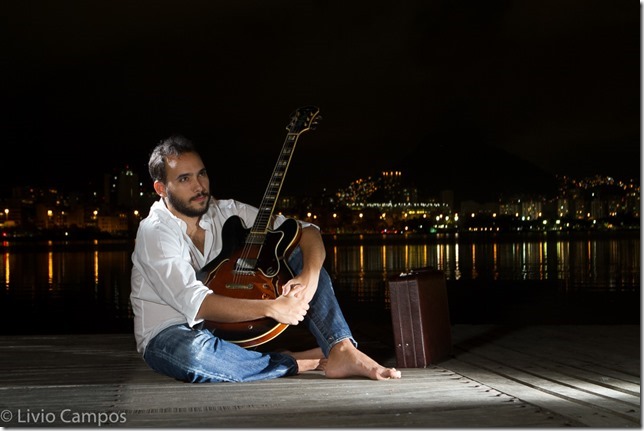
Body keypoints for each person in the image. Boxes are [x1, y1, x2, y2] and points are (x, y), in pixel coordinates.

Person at [130, 134, 402, 383]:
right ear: (161, 188)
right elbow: (197, 303)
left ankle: (341, 348)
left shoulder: (227, 211)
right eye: (184, 179)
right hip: (172, 332)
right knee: (194, 356)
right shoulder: (154, 232)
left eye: (202, 174)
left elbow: (307, 231)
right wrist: (272, 308)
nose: (199, 186)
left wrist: (308, 278)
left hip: (227, 328)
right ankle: (290, 361)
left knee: (298, 253)